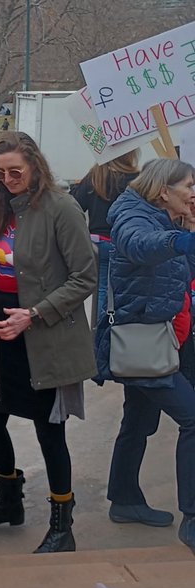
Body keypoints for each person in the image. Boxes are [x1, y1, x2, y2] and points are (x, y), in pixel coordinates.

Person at [0, 131, 97, 553]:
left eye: (15, 171)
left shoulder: (62, 208)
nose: (7, 179)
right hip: (1, 332)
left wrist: (35, 313)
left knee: (49, 430)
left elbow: (85, 277)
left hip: (45, 337)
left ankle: (63, 526)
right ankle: (8, 502)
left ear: (35, 167)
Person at [97, 158, 195, 546]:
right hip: (144, 341)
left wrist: (188, 228)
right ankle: (192, 519)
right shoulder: (133, 216)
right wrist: (181, 238)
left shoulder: (166, 218)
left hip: (161, 338)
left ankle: (124, 498)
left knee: (137, 422)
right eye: (187, 186)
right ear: (162, 191)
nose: (193, 193)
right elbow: (139, 246)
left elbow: (185, 269)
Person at [71, 150, 139, 332]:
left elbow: (74, 204)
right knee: (122, 287)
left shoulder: (95, 175)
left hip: (96, 242)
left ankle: (97, 327)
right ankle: (112, 328)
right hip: (122, 243)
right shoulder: (137, 179)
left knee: (100, 289)